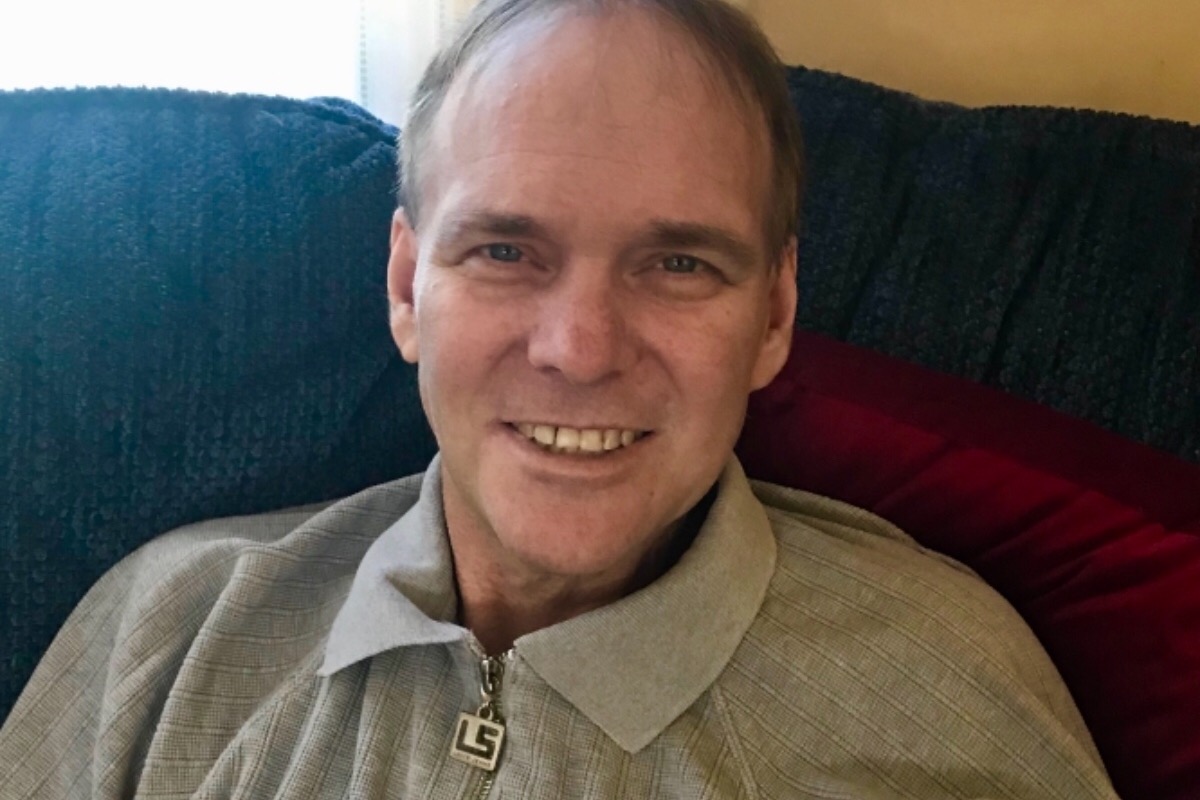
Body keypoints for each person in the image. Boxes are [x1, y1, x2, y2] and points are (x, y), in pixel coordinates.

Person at [0, 0, 1120, 797]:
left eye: (678, 263)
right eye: (504, 250)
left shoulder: (949, 701)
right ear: (407, 287)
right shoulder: (167, 634)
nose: (579, 350)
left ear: (775, 314)